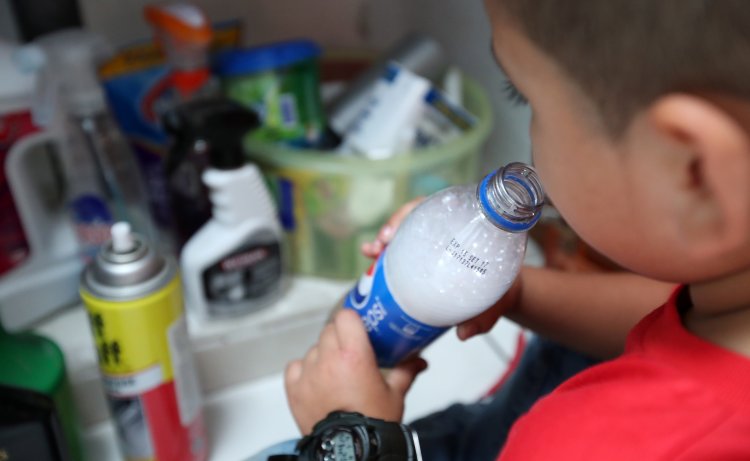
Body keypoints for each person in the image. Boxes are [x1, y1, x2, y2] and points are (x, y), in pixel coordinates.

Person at [283, 0, 750, 459]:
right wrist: (517, 293)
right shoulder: (727, 298)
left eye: (527, 99)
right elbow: (664, 314)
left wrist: (348, 438)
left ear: (694, 170)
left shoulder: (580, 443)